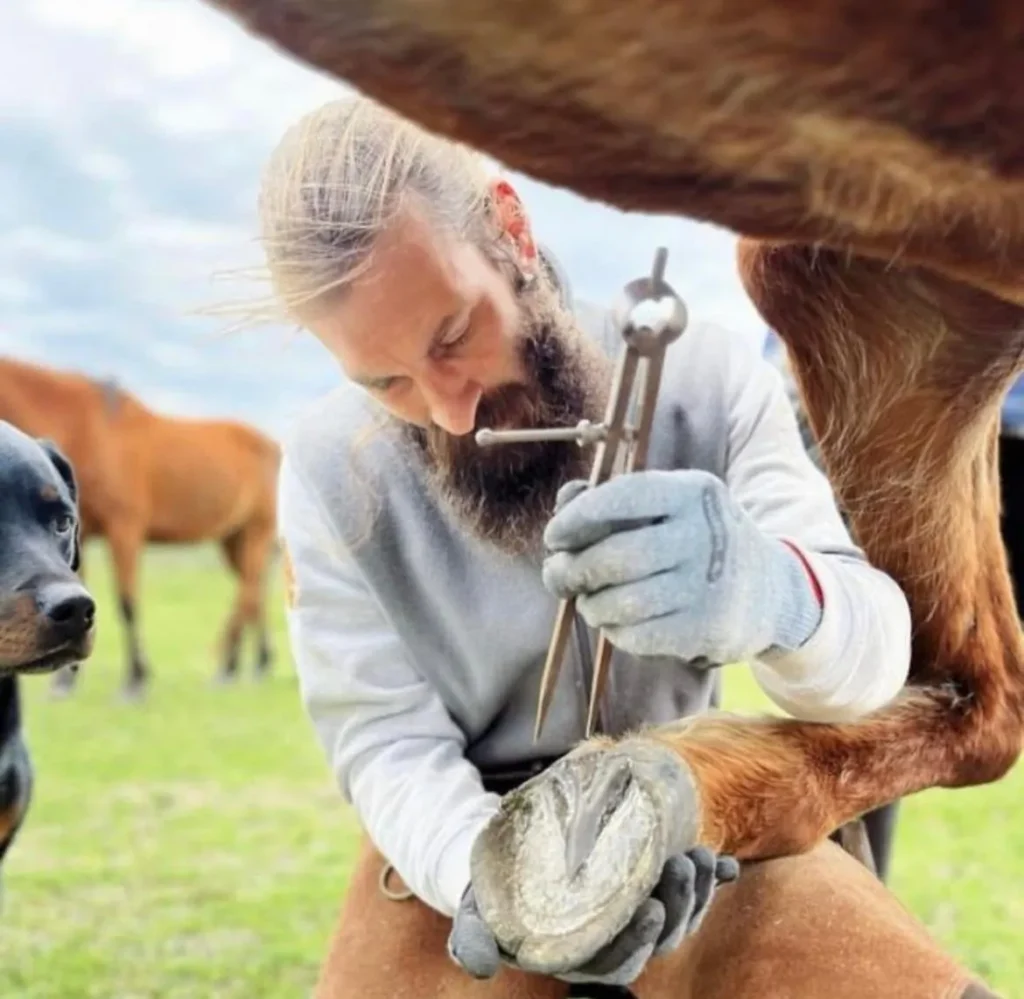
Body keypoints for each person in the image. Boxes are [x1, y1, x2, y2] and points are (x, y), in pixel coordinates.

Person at [256, 95, 988, 998]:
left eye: (453, 334)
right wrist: (486, 876)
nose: (449, 410)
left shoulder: (707, 380)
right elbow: (383, 738)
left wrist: (772, 593)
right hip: (460, 858)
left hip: (693, 816)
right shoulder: (329, 469)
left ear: (511, 230)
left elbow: (870, 666)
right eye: (386, 381)